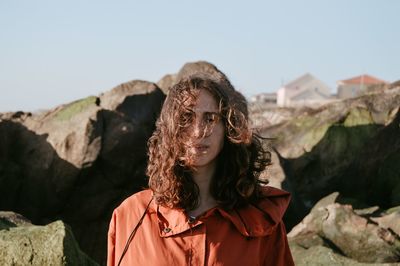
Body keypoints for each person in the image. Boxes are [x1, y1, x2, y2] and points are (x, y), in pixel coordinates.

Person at [107, 72, 294, 266]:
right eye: (187, 118)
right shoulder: (130, 215)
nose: (198, 132)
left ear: (227, 128)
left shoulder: (262, 221)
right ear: (170, 129)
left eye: (210, 118)